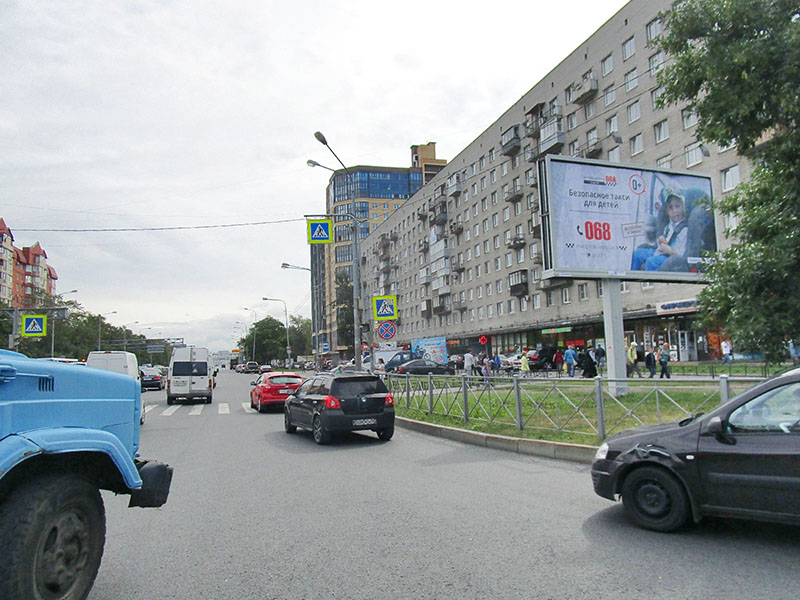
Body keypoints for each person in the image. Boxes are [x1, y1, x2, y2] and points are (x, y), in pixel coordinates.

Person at [632, 188, 689, 272]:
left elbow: (681, 255)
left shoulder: (685, 229)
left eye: (677, 206)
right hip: (661, 252)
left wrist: (669, 250)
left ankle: (653, 283)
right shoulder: (668, 227)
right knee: (637, 253)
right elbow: (662, 246)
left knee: (651, 262)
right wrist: (661, 242)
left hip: (671, 258)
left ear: (683, 207)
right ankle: (630, 280)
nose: (675, 211)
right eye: (671, 208)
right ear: (667, 211)